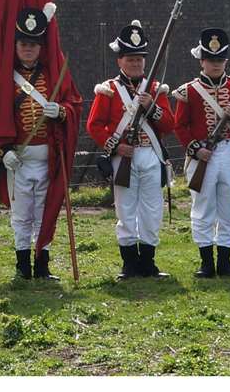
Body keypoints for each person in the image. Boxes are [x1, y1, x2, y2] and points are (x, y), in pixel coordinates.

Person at [0, 4, 77, 281]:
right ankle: (21, 265)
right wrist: (2, 152)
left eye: (33, 45)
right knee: (21, 215)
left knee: (44, 212)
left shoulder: (54, 74)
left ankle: (42, 265)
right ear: (16, 46)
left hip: (48, 158)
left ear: (41, 47)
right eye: (24, 44)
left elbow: (73, 103)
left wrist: (62, 111)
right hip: (19, 158)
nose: (28, 49)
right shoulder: (6, 80)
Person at [87, 20, 176, 280]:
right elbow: (95, 125)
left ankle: (148, 263)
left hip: (150, 154)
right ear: (120, 61)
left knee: (152, 209)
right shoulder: (109, 90)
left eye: (140, 59)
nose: (136, 63)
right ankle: (129, 264)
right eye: (131, 59)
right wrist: (117, 146)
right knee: (125, 209)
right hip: (123, 157)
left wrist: (152, 107)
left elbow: (169, 124)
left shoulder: (155, 90)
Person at [172, 28, 230, 279]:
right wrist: (196, 149)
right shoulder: (189, 90)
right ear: (202, 61)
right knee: (202, 207)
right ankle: (206, 262)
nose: (216, 64)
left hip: (228, 151)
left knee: (229, 208)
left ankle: (225, 262)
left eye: (220, 60)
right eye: (211, 60)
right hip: (202, 153)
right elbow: (180, 125)